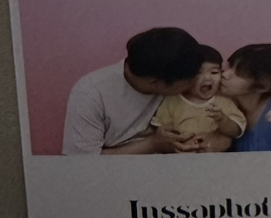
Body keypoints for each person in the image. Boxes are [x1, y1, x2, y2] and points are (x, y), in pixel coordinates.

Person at [62, 27, 207, 154]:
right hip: (112, 171)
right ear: (154, 82)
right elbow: (81, 161)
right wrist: (153, 144)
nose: (197, 81)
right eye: (191, 79)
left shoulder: (177, 68)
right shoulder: (91, 93)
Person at [150, 45, 247, 147]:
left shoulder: (223, 102)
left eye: (214, 72)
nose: (207, 78)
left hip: (213, 153)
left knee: (225, 141)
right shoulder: (172, 100)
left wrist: (221, 119)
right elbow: (161, 131)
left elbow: (236, 131)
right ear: (185, 77)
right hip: (180, 151)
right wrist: (182, 140)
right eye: (198, 73)